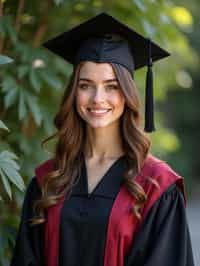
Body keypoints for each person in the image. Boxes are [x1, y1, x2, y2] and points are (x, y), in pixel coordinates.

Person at [10, 12, 194, 266]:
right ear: (74, 94)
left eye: (111, 86)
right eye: (85, 85)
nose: (98, 98)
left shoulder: (156, 185)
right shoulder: (49, 180)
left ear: (127, 94)